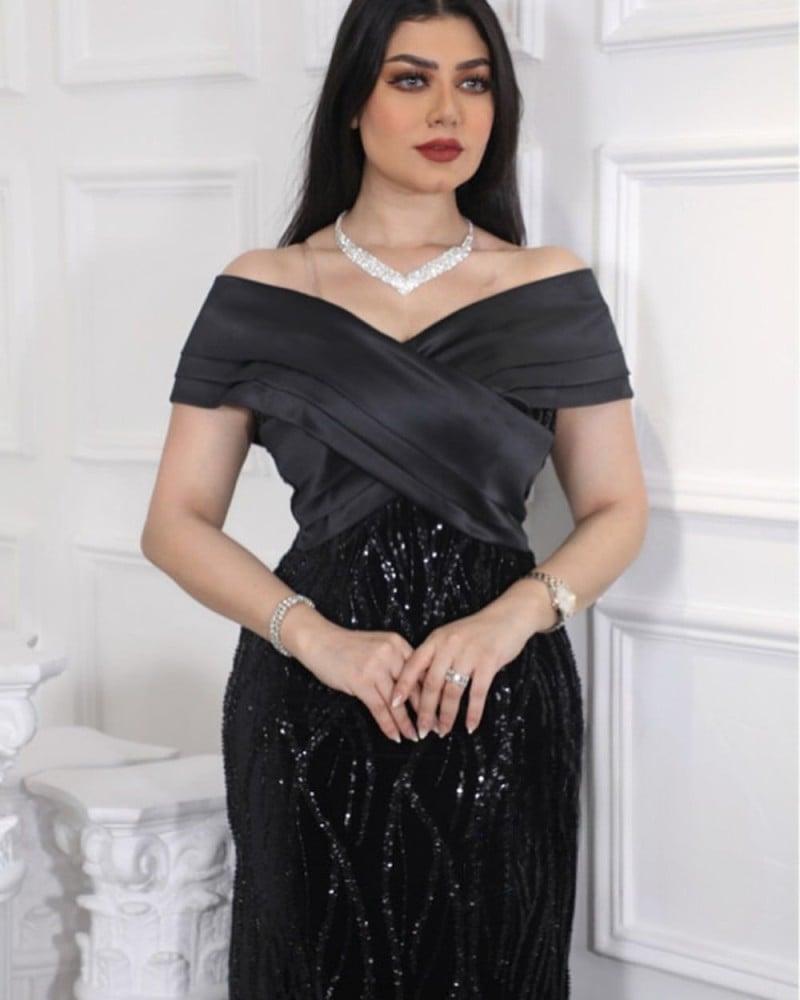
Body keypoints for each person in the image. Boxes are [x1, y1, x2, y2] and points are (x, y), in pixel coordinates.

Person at [141, 1, 648, 996]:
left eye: (474, 82)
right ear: (352, 101)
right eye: (411, 79)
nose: (447, 110)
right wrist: (314, 638)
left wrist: (512, 618)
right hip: (309, 694)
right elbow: (173, 522)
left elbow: (618, 508)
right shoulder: (264, 288)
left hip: (496, 696)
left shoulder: (547, 286)